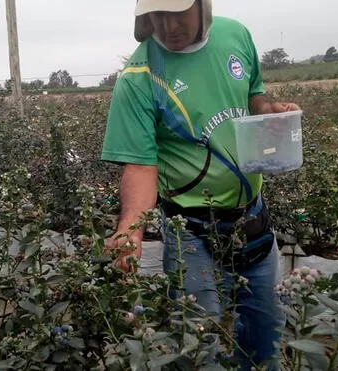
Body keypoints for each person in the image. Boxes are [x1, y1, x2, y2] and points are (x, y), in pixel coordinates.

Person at [100, 0, 301, 369]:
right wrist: (130, 230)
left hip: (253, 220)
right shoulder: (139, 77)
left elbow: (253, 94)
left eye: (178, 12)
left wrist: (268, 112)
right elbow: (141, 167)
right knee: (196, 344)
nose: (168, 25)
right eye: (157, 15)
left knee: (266, 335)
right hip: (191, 233)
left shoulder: (235, 35)